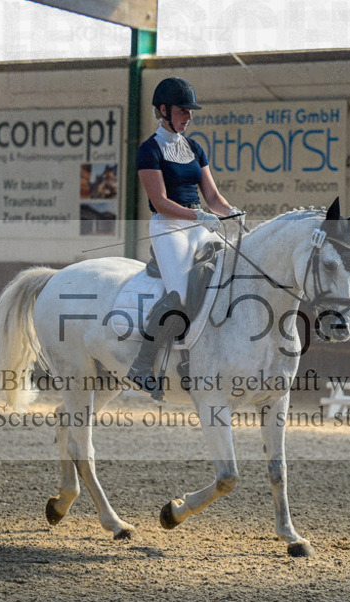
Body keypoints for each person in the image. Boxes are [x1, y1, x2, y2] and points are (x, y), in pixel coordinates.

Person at [126, 77, 241, 397]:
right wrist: (197, 215)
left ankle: (199, 356)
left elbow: (213, 197)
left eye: (190, 111)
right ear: (163, 110)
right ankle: (142, 365)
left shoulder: (194, 147)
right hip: (168, 227)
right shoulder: (149, 150)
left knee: (226, 278)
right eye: (181, 110)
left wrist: (232, 213)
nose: (188, 116)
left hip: (198, 224)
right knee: (180, 295)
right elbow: (160, 201)